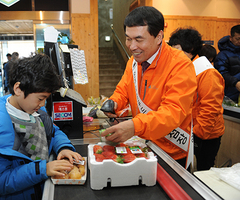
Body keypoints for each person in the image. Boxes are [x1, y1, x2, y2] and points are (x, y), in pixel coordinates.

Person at [0, 53, 82, 199]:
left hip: (40, 189)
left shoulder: (37, 112)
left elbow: (53, 131)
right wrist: (42, 169)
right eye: (41, 98)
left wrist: (63, 147)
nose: (43, 104)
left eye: (46, 99)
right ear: (18, 89)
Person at [100, 6, 197, 169]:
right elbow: (123, 90)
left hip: (171, 152)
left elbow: (173, 112)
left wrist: (134, 126)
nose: (131, 46)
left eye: (139, 39)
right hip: (143, 144)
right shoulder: (133, 62)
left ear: (159, 37)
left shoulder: (180, 64)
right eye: (128, 39)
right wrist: (114, 103)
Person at [168, 27, 225, 171]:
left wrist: (197, 135)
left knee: (202, 174)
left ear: (191, 49)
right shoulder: (185, 68)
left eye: (178, 50)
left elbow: (210, 108)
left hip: (205, 136)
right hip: (191, 133)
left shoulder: (207, 73)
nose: (175, 54)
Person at [214, 25, 240, 103]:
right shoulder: (222, 55)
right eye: (237, 39)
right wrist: (235, 82)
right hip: (229, 96)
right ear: (231, 38)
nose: (239, 41)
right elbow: (221, 73)